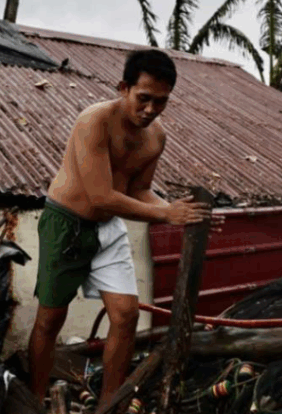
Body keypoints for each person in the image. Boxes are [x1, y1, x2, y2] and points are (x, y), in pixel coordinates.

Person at [27, 49, 215, 405]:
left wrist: (187, 213)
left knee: (127, 316)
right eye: (144, 98)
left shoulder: (156, 137)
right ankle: (35, 402)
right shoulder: (94, 121)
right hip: (66, 224)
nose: (151, 109)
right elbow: (100, 197)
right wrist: (167, 215)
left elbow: (139, 191)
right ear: (123, 87)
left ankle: (109, 406)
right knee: (50, 319)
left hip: (109, 228)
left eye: (161, 101)